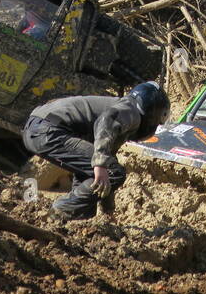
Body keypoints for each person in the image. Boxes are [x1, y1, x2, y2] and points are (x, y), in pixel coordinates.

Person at [21, 82, 171, 219]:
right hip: (47, 130)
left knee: (87, 205)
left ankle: (76, 219)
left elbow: (101, 170)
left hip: (37, 128)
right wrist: (100, 163)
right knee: (113, 171)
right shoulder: (131, 111)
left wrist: (108, 212)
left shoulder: (120, 111)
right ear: (152, 115)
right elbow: (106, 121)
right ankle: (59, 210)